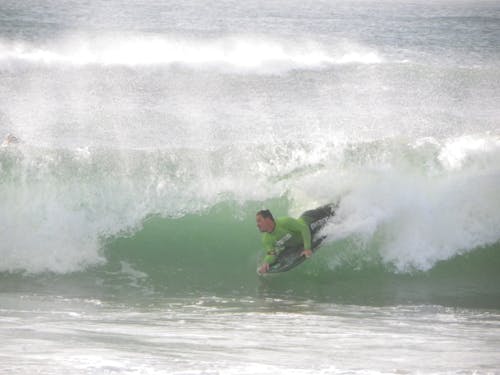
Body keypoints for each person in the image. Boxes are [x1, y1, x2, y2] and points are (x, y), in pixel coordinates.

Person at [256, 204, 336, 274]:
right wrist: (266, 262)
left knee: (334, 211)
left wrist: (307, 248)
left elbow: (304, 228)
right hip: (303, 235)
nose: (257, 225)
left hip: (310, 220)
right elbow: (271, 254)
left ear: (267, 219)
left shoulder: (284, 222)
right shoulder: (266, 239)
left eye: (259, 221)